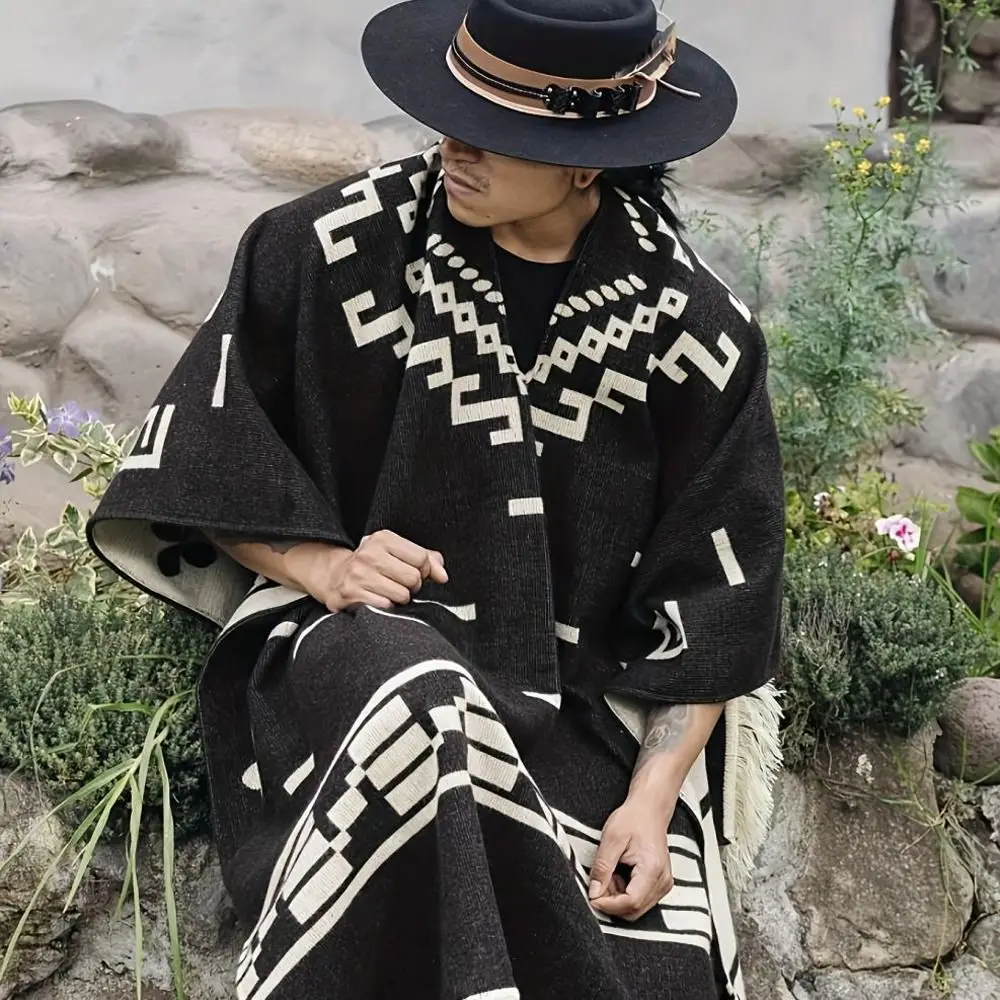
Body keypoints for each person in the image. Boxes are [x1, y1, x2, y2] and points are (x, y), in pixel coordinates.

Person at [88, 0, 785, 997]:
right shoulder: (326, 246)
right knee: (425, 709)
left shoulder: (697, 333)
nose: (455, 146)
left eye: (494, 133)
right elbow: (207, 451)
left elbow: (718, 596)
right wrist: (322, 565)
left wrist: (651, 800)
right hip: (357, 644)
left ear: (586, 164)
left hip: (576, 704)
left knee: (648, 952)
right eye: (453, 114)